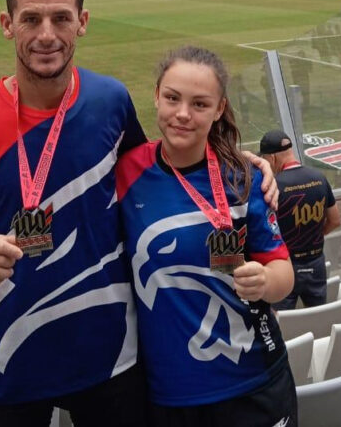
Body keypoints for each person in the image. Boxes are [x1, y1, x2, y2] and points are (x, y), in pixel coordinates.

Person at [0, 0, 279, 427]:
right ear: (6, 25)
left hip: (113, 356)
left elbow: (163, 169)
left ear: (82, 22)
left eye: (61, 18)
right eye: (31, 19)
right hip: (10, 355)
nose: (46, 35)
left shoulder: (110, 101)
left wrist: (231, 159)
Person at [116, 46, 296, 427]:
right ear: (156, 96)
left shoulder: (244, 180)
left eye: (200, 104)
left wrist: (265, 281)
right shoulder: (127, 171)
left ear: (218, 109)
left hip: (253, 382)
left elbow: (283, 273)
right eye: (172, 98)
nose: (182, 114)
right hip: (169, 392)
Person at [258, 130, 341, 310]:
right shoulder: (319, 178)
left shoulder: (274, 187)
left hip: (286, 266)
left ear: (271, 158)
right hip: (317, 262)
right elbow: (335, 220)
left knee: (285, 324)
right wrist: (315, 236)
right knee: (319, 317)